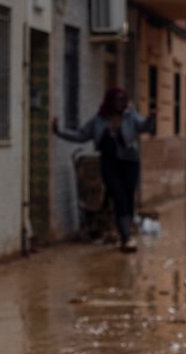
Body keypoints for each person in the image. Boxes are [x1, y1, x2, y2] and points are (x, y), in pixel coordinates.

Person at [53, 88, 155, 251]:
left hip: (130, 162)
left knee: (128, 198)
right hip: (109, 164)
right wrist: (59, 132)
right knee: (119, 196)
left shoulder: (130, 116)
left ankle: (125, 235)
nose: (121, 103)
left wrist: (151, 119)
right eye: (118, 100)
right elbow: (81, 135)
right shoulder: (98, 120)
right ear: (110, 101)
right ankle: (125, 236)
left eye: (123, 100)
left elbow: (144, 126)